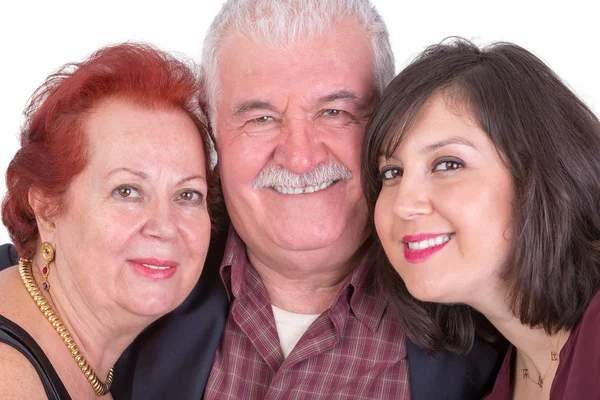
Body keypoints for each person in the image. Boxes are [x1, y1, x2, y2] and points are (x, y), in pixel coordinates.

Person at [0, 2, 502, 399]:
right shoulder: (143, 281)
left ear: (388, 124)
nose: (301, 157)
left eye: (334, 111)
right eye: (260, 118)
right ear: (215, 138)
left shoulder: (487, 318)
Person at [362, 38, 600, 400]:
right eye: (392, 172)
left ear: (537, 175)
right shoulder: (492, 380)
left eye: (448, 164)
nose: (402, 205)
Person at [0, 42, 218, 399]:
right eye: (127, 191)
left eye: (187, 195)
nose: (164, 227)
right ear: (46, 208)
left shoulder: (97, 354)